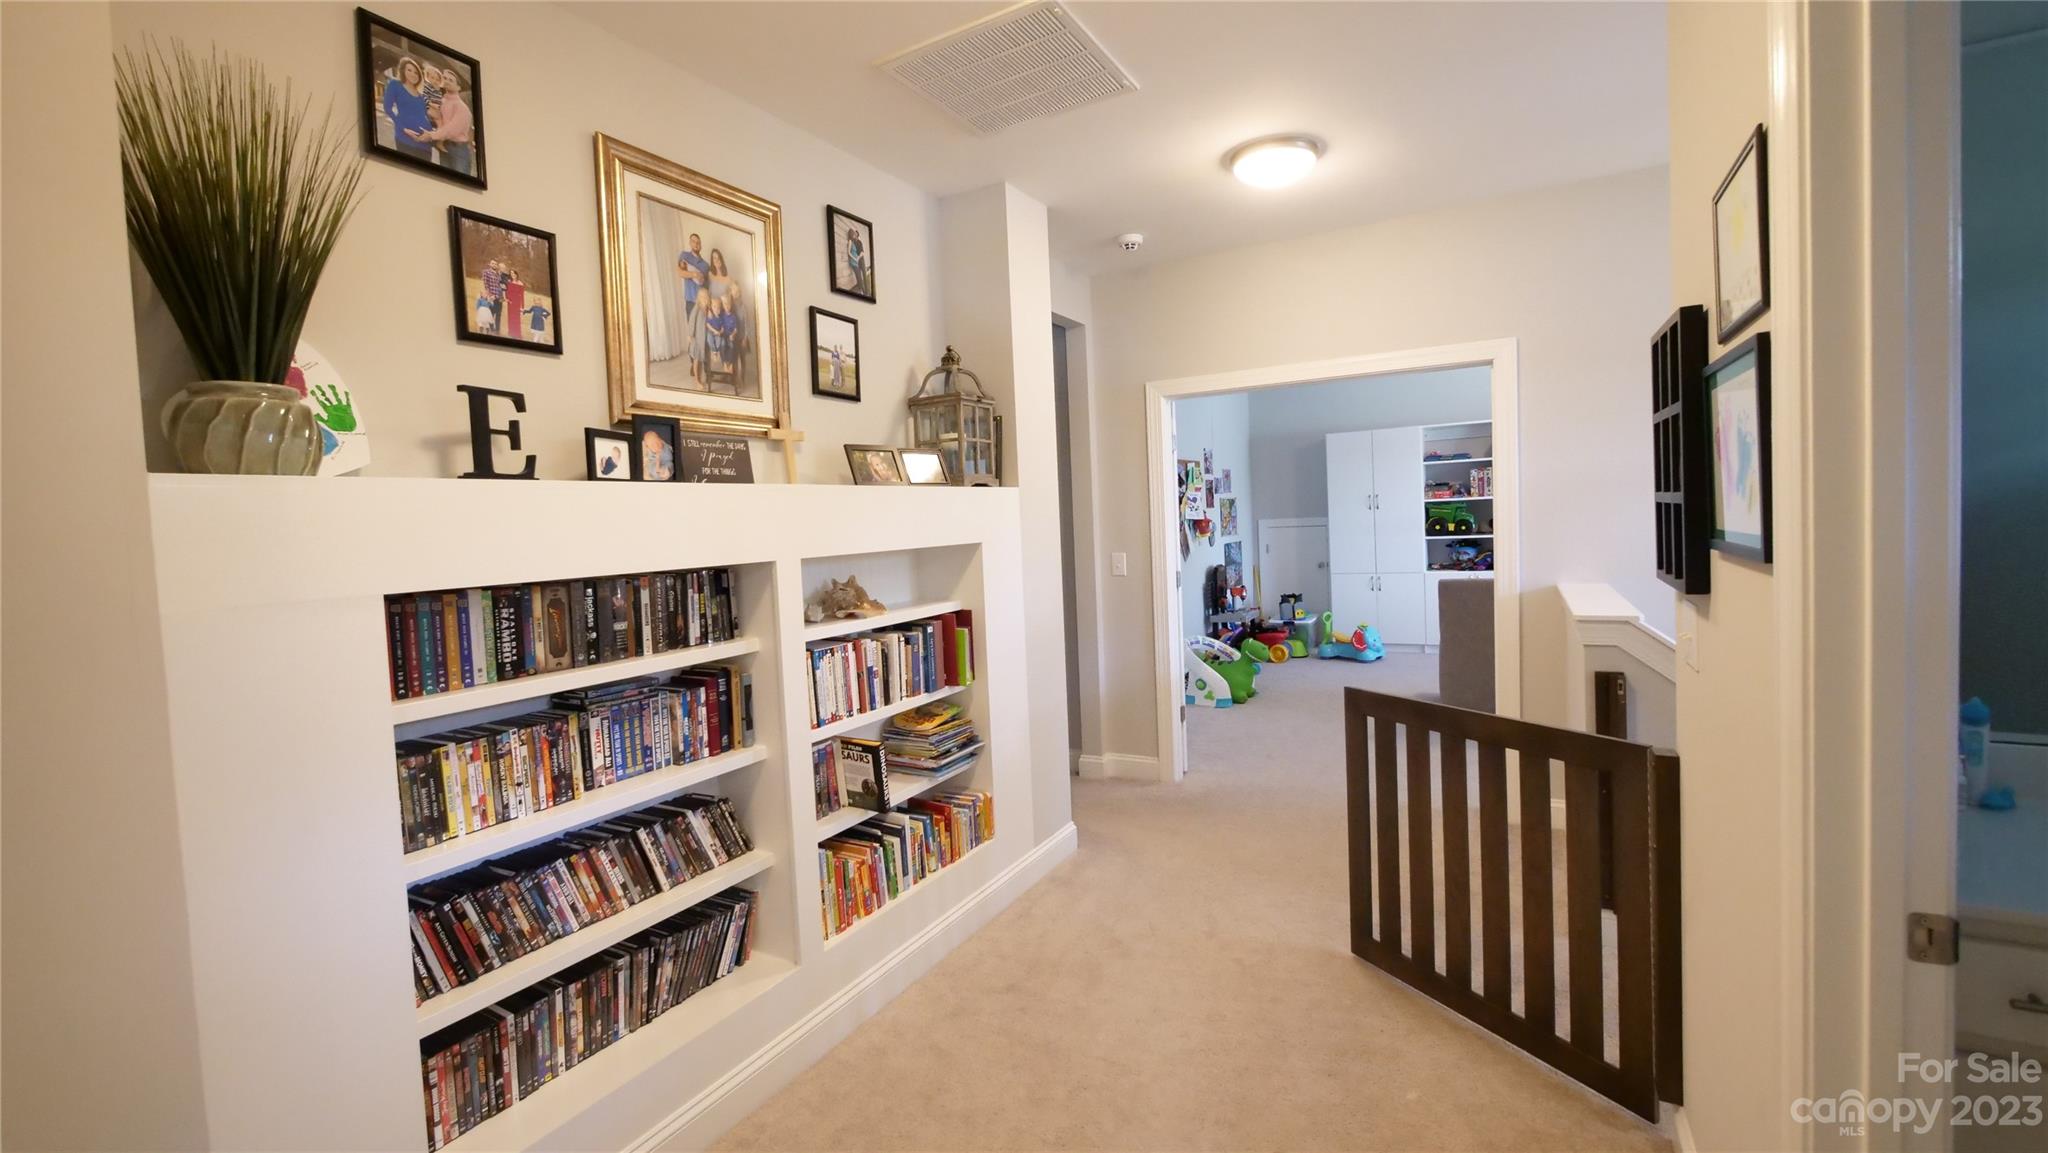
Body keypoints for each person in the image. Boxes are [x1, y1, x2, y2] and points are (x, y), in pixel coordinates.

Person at [415, 71, 473, 175]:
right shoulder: (442, 101)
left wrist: (432, 135)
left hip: (458, 150)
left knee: (460, 181)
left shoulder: (462, 107)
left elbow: (452, 129)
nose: (447, 81)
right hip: (444, 145)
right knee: (445, 179)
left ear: (458, 87)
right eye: (445, 78)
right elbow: (437, 119)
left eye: (451, 80)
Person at [381, 57, 433, 161]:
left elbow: (426, 117)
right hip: (405, 139)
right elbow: (387, 108)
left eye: (416, 72)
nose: (413, 74)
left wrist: (430, 134)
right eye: (409, 70)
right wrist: (404, 129)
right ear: (403, 71)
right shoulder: (395, 85)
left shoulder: (421, 96)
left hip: (425, 144)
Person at [676, 233, 709, 381]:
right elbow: (680, 272)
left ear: (700, 245)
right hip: (690, 302)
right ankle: (693, 363)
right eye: (693, 241)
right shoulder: (684, 256)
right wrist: (694, 274)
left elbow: (705, 283)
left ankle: (705, 364)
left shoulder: (705, 265)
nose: (696, 244)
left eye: (698, 242)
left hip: (703, 304)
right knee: (693, 334)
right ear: (690, 243)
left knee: (704, 334)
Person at [478, 259, 506, 334]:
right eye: (492, 263)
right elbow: (486, 285)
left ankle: (497, 330)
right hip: (492, 297)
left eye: (495, 264)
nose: (494, 265)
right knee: (492, 313)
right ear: (490, 264)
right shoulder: (486, 272)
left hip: (499, 297)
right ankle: (492, 328)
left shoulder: (498, 274)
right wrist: (490, 296)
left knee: (499, 314)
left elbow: (500, 286)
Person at [844, 227, 868, 295]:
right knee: (859, 277)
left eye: (856, 234)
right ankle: (863, 292)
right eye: (854, 234)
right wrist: (855, 259)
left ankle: (863, 291)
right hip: (854, 261)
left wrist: (857, 258)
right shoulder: (851, 241)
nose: (855, 235)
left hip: (858, 261)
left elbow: (861, 252)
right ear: (852, 234)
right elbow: (849, 252)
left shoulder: (857, 242)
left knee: (861, 276)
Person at [505, 272, 526, 340]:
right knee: (510, 318)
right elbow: (507, 292)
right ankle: (511, 332)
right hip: (510, 302)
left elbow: (522, 295)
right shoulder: (509, 282)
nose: (513, 275)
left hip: (517, 302)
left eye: (514, 274)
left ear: (516, 275)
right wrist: (507, 299)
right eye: (511, 274)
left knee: (516, 318)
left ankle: (517, 334)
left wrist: (522, 306)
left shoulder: (520, 283)